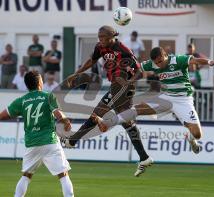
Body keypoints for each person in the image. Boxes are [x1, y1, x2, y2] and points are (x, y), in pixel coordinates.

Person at [93, 47, 214, 154]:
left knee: (198, 134)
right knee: (136, 110)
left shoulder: (178, 60)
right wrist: (129, 76)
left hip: (184, 101)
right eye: (157, 63)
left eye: (161, 61)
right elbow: (138, 67)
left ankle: (192, 140)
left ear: (166, 55)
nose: (159, 65)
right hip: (166, 98)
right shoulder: (152, 63)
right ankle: (106, 123)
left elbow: (195, 60)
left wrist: (208, 62)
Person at [63, 25, 152, 177]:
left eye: (104, 38)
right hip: (116, 86)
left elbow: (139, 71)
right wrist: (76, 74)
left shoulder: (123, 49)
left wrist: (129, 84)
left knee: (97, 113)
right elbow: (91, 61)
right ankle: (144, 157)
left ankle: (73, 140)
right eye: (99, 38)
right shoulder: (100, 47)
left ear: (112, 37)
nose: (101, 40)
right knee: (127, 122)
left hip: (123, 86)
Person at [0, 71, 74, 197]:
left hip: (32, 144)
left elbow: (3, 115)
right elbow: (58, 114)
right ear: (40, 82)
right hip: (50, 142)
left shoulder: (21, 101)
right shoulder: (48, 96)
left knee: (26, 176)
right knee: (63, 174)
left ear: (27, 85)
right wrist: (65, 120)